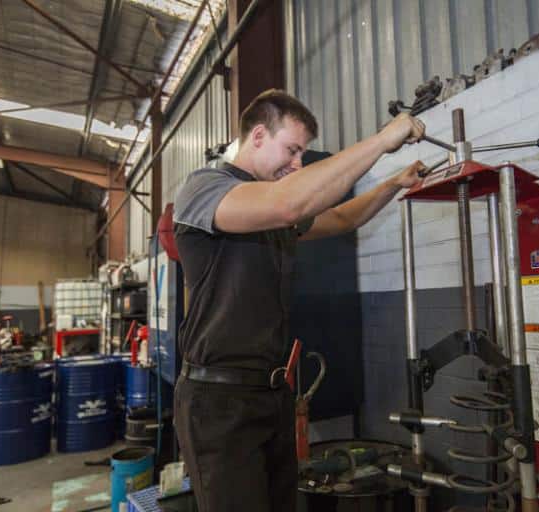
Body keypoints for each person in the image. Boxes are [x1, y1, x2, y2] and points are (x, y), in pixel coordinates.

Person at [172, 89, 425, 512]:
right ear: (257, 136)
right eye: (291, 150)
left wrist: (391, 185)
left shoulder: (273, 209)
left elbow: (342, 217)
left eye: (302, 154)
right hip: (216, 403)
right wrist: (382, 140)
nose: (296, 163)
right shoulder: (205, 188)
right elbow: (287, 205)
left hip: (271, 394)